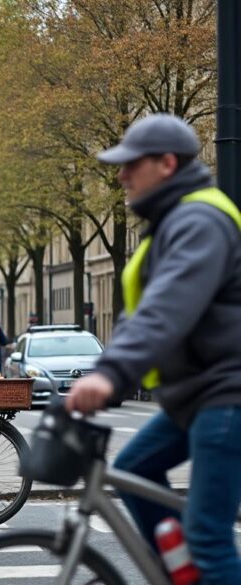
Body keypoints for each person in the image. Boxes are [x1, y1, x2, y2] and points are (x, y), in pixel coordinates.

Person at [66, 114, 241, 583]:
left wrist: (111, 375)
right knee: (135, 470)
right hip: (198, 393)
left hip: (228, 394)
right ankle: (183, 576)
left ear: (166, 164)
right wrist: (106, 369)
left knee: (208, 536)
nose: (121, 174)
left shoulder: (199, 220)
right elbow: (138, 314)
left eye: (131, 164)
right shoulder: (169, 224)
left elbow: (168, 307)